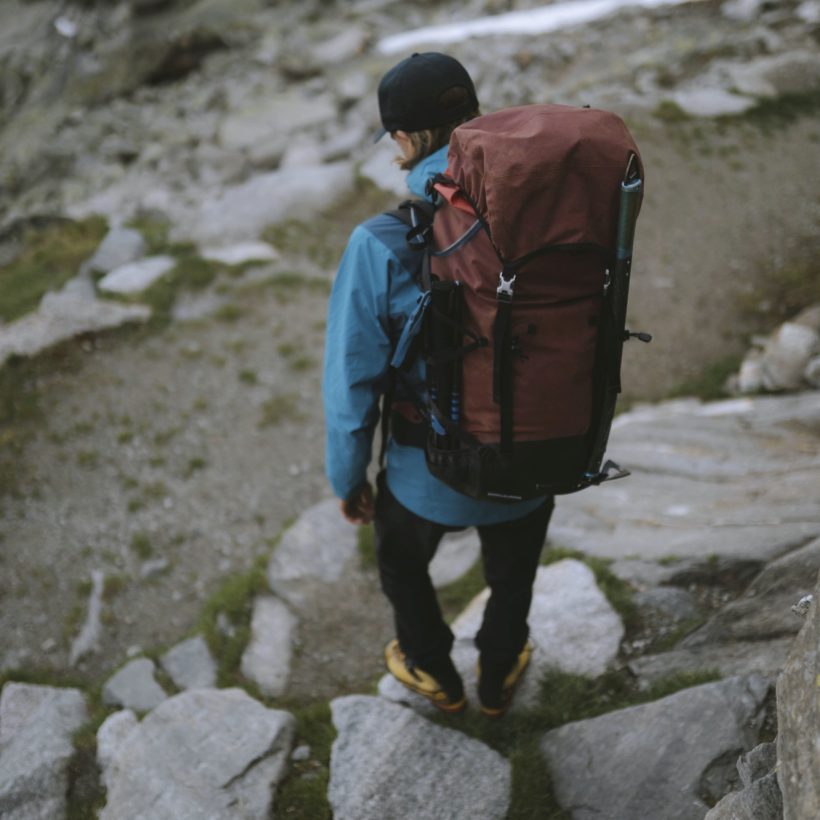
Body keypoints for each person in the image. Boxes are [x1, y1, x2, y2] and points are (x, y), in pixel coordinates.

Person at [323, 52, 554, 716]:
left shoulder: (382, 242)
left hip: (429, 476)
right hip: (537, 459)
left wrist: (349, 482)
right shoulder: (546, 211)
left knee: (400, 562)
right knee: (513, 572)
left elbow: (350, 388)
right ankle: (500, 666)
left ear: (404, 138)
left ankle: (431, 668)